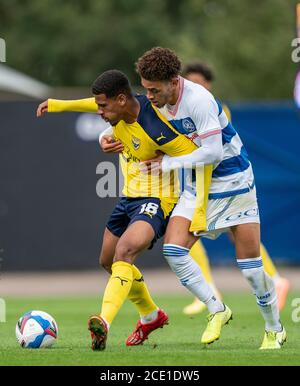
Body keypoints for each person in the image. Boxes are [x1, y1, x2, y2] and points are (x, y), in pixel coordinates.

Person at [37, 69, 231, 350]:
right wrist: (57, 105)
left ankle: (103, 321)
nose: (99, 111)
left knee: (124, 252)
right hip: (128, 198)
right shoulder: (118, 114)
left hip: (158, 201)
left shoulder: (156, 126)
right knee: (108, 261)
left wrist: (196, 206)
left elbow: (199, 155)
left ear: (120, 100)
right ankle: (151, 315)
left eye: (103, 106)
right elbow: (93, 104)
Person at [135, 47, 286, 350]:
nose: (149, 95)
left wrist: (167, 164)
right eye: (145, 89)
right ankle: (217, 308)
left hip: (233, 182)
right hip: (197, 186)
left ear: (173, 82)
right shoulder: (158, 101)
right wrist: (108, 137)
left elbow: (214, 152)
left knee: (252, 268)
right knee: (174, 250)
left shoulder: (199, 100)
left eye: (154, 89)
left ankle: (274, 328)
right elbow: (126, 113)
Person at [181, 62, 290, 316]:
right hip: (203, 179)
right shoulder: (188, 108)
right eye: (191, 82)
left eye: (200, 82)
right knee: (222, 235)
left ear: (208, 85)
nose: (195, 87)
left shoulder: (214, 108)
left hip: (222, 182)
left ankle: (212, 291)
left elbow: (211, 148)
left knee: (194, 231)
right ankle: (273, 279)